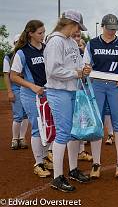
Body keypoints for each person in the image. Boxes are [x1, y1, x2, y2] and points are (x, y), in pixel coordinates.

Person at [44, 10, 91, 192]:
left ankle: (72, 170)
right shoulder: (55, 41)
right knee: (63, 133)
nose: (78, 31)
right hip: (59, 91)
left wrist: (84, 70)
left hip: (72, 90)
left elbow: (77, 65)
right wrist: (76, 73)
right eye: (77, 26)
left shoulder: (71, 41)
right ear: (70, 24)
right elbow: (53, 70)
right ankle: (57, 177)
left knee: (73, 133)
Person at [83, 13, 118, 180]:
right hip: (97, 85)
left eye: (114, 29)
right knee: (97, 123)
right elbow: (86, 65)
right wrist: (86, 70)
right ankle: (96, 163)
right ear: (102, 27)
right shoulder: (92, 43)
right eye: (109, 29)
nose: (112, 32)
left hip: (116, 86)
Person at [10, 20, 53, 178]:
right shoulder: (22, 52)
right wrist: (32, 86)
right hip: (30, 95)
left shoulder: (46, 49)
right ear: (31, 34)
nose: (43, 35)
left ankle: (45, 157)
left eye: (43, 32)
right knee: (37, 127)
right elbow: (13, 76)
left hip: (48, 93)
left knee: (48, 126)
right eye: (40, 33)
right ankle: (38, 163)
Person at [3, 34, 29, 150]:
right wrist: (9, 91)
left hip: (27, 87)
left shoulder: (26, 54)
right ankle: (15, 139)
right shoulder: (8, 57)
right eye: (17, 42)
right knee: (18, 115)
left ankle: (22, 138)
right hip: (16, 88)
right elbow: (6, 75)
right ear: (14, 43)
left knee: (26, 114)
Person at [71, 30, 93, 162]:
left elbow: (85, 74)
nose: (77, 39)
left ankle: (81, 151)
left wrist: (85, 72)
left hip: (81, 91)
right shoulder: (70, 52)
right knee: (70, 124)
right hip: (69, 91)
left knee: (80, 120)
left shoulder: (81, 54)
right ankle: (50, 151)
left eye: (79, 36)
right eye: (74, 36)